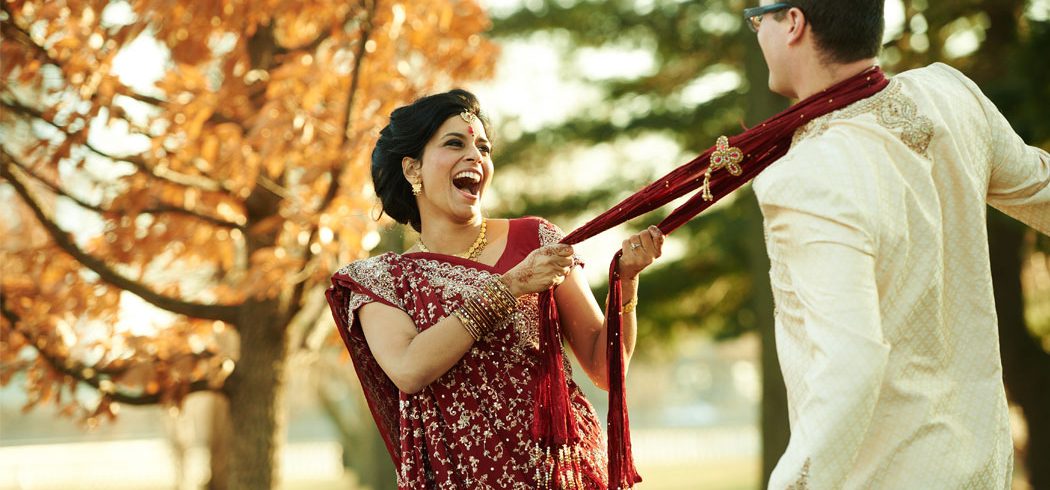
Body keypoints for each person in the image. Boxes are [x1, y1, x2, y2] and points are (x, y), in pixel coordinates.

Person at [745, 0, 1050, 488]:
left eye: (760, 17)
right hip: (983, 469)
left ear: (794, 23)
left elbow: (852, 363)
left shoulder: (806, 177)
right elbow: (1043, 188)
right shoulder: (952, 97)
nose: (758, 31)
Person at [325, 89, 665, 489]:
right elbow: (409, 368)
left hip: (560, 472)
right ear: (412, 168)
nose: (476, 157)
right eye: (456, 143)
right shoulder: (383, 279)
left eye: (483, 148)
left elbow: (605, 369)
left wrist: (625, 282)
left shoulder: (536, 239)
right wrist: (511, 285)